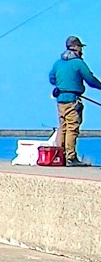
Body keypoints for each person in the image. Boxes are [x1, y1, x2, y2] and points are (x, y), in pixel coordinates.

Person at [49, 35, 101, 167]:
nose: (81, 50)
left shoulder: (57, 63)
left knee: (63, 127)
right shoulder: (78, 63)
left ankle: (59, 156)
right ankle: (71, 157)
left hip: (60, 100)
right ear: (76, 47)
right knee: (72, 127)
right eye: (80, 47)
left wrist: (62, 85)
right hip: (72, 99)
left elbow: (52, 78)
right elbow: (90, 80)